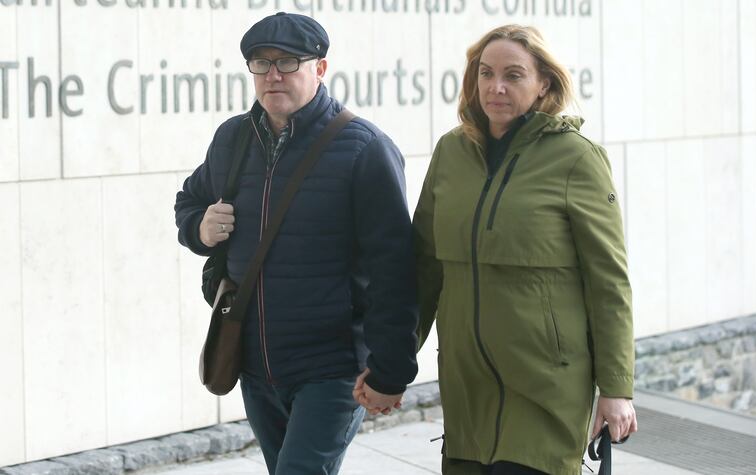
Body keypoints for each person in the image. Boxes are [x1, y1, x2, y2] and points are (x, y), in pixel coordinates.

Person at [174, 12, 418, 475]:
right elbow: (189, 201)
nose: (273, 75)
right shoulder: (232, 139)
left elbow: (395, 269)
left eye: (288, 62)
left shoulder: (363, 148)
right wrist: (199, 229)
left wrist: (391, 369)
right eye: (261, 64)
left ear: (320, 69)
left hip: (332, 368)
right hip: (254, 365)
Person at [413, 24, 638, 475]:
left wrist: (616, 388)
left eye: (513, 75)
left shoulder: (576, 158)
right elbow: (422, 268)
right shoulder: (450, 152)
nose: (495, 87)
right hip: (466, 387)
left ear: (544, 86)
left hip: (545, 386)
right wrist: (393, 363)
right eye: (486, 73)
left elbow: (608, 281)